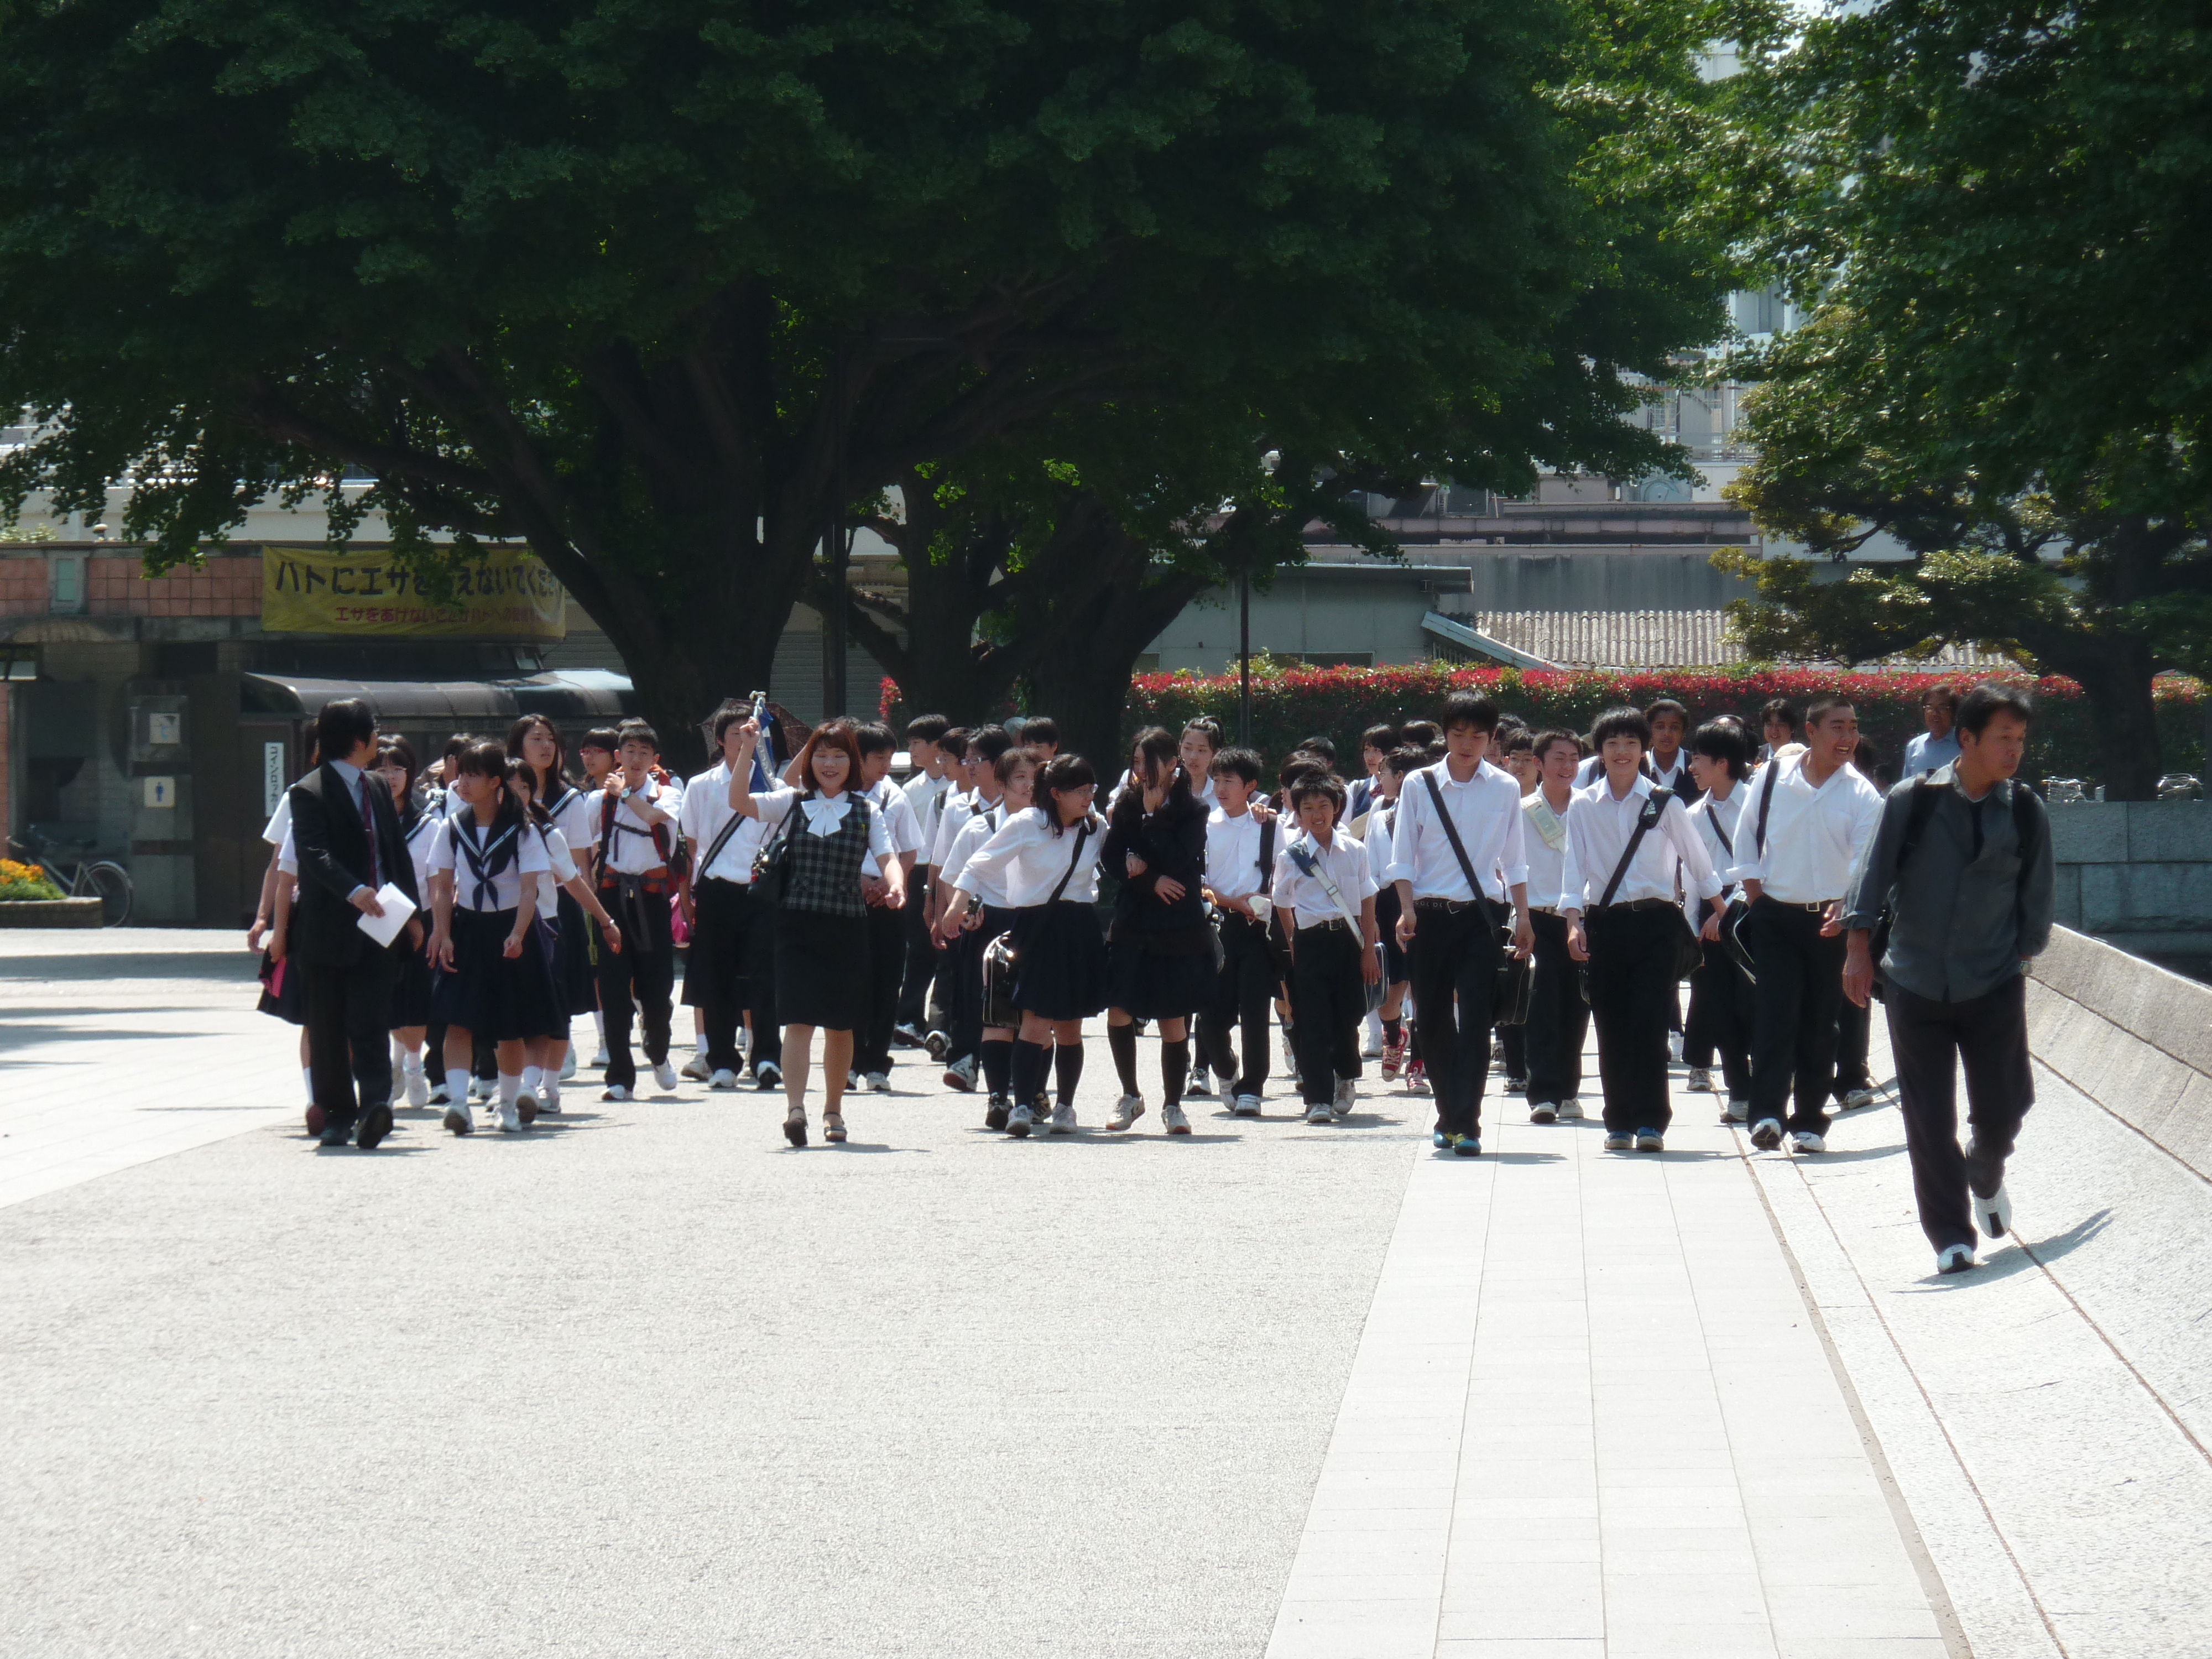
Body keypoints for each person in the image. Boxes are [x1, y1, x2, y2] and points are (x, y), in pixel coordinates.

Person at [1843, 682, 2054, 1273]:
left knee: (2005, 1104)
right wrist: (1857, 952)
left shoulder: (2023, 809)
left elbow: (2037, 896)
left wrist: (2020, 954)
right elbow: (1871, 877)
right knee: (1927, 1116)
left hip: (1992, 980)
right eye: (2002, 738)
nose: (2013, 750)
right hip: (1913, 982)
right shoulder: (1913, 800)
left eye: (2020, 739)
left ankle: (1985, 1167)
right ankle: (1949, 1237)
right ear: (1966, 739)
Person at [731, 716, 902, 1146]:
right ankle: (795, 1109)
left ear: (853, 762)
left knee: (842, 1026)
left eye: (839, 756)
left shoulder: (868, 810)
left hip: (847, 927)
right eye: (821, 756)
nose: (829, 764)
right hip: (796, 925)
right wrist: (749, 748)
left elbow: (888, 857)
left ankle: (833, 1110)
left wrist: (896, 883)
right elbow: (739, 801)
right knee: (799, 1022)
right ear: (809, 761)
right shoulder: (792, 800)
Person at [1728, 693, 1886, 1154]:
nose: (1848, 737)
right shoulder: (1774, 777)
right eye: (1837, 727)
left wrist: (1846, 904)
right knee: (1775, 1015)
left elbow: (1865, 861)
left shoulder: (1862, 794)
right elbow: (1746, 838)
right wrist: (1757, 900)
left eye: (1853, 727)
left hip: (1831, 925)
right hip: (1775, 914)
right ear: (1812, 732)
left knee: (1821, 1023)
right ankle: (1767, 1116)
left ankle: (1810, 1121)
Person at [1561, 707, 1724, 1152]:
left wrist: (1719, 907)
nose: (1622, 752)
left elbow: (1697, 859)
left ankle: (1652, 1121)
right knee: (1610, 1022)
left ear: (1644, 749)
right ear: (1600, 751)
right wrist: (1573, 923)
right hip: (1605, 924)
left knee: (1650, 1021)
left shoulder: (1664, 801)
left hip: (1655, 922)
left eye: (1631, 743)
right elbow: (1573, 869)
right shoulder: (1582, 804)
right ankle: (1618, 1121)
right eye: (1612, 744)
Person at [1384, 693, 1533, 1156]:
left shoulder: (1505, 787)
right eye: (1458, 734)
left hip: (1482, 919)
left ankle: (1467, 1123)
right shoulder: (1419, 783)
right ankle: (1448, 1113)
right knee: (1430, 1020)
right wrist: (1406, 909)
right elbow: (1402, 855)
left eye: (1478, 735)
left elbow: (1515, 860)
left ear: (1493, 740)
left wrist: (1524, 916)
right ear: (1444, 734)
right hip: (1427, 917)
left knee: (1475, 1021)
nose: (1468, 744)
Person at [941, 754, 1106, 1138]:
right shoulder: (1026, 824)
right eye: (1080, 791)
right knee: (1034, 1021)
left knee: (1069, 1027)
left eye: (1091, 790)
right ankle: (1021, 1106)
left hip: (1079, 927)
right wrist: (955, 906)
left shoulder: (1096, 828)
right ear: (1056, 793)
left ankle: (1065, 1106)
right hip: (1036, 926)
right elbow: (978, 865)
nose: (1087, 798)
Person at [284, 698, 423, 1149]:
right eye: (375, 733)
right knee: (328, 1026)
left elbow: (394, 855)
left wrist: (414, 915)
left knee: (371, 1017)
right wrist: (352, 890)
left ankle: (375, 1106)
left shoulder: (378, 788)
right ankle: (338, 1115)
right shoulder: (308, 791)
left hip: (382, 926)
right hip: (328, 929)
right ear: (360, 741)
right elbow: (313, 852)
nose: (379, 741)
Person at [426, 742, 561, 1134]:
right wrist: (443, 931)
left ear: (495, 782)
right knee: (457, 1020)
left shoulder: (522, 829)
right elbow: (442, 883)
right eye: (461, 774)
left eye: (473, 775)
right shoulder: (451, 827)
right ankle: (457, 1104)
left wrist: (519, 934)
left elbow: (528, 889)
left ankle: (506, 1104)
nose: (463, 783)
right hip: (468, 929)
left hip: (511, 930)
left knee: (510, 1024)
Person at [1099, 728, 1216, 1134]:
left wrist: (1152, 823)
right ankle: (1130, 1094)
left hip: (1178, 922)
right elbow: (1113, 859)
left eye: (1148, 764)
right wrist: (1149, 879)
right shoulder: (1127, 802)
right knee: (1119, 1009)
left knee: (1173, 1018)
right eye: (1135, 763)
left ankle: (1173, 1104)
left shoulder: (1194, 809)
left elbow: (1179, 857)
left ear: (1172, 765)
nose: (1140, 772)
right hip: (1134, 919)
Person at [676, 702, 785, 1093]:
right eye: (737, 733)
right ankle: (721, 1060)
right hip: (716, 888)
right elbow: (691, 846)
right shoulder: (700, 785)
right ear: (721, 740)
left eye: (751, 733)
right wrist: (687, 897)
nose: (745, 739)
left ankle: (768, 1057)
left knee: (764, 977)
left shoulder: (774, 786)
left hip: (761, 889)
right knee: (716, 975)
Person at [511, 765, 624, 1115]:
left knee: (555, 1013)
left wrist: (605, 920)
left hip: (547, 930)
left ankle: (547, 1088)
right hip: (500, 930)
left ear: (532, 792)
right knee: (513, 1016)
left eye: (523, 788)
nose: (515, 795)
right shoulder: (482, 831)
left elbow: (574, 882)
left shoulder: (546, 833)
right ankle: (513, 1087)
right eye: (507, 788)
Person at [936, 746, 1039, 1126]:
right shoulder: (980, 827)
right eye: (1019, 779)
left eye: (1035, 779)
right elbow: (954, 877)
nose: (1029, 786)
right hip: (990, 924)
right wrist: (963, 911)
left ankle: (1034, 1093)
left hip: (1035, 921)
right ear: (1002, 785)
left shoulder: (1051, 825)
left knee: (1036, 1012)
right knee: (994, 1011)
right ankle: (997, 1095)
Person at [1272, 773, 1383, 1125]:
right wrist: (1294, 941)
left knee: (1348, 1016)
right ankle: (1317, 1098)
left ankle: (1346, 1075)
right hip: (1310, 943)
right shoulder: (1292, 857)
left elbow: (1368, 899)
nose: (1317, 814)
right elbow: (1281, 901)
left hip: (1349, 942)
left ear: (1336, 808)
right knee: (1313, 1020)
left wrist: (1367, 951)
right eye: (1308, 808)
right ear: (1297, 813)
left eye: (1324, 806)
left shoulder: (1355, 850)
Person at [593, 720, 686, 1103]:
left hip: (652, 897)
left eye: (643, 753)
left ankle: (659, 1052)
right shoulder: (596, 800)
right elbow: (587, 853)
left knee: (657, 986)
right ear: (617, 756)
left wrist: (628, 792)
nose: (635, 758)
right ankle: (619, 1076)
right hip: (612, 895)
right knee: (614, 989)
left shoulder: (668, 795)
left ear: (655, 760)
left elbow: (652, 819)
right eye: (628, 751)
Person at [930, 724, 1014, 1089]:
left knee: (1011, 990)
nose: (969, 767)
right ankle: (965, 1059)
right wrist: (944, 912)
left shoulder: (1025, 810)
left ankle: (1012, 1066)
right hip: (970, 914)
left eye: (976, 760)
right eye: (967, 760)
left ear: (999, 764)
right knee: (967, 987)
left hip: (1014, 912)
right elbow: (945, 864)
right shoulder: (958, 809)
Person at [1682, 718, 1755, 1121]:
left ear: (1723, 763)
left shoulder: (1756, 803)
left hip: (1750, 914)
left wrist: (1731, 910)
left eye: (1698, 759)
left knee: (1754, 1006)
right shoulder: (1694, 814)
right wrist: (1695, 929)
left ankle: (1764, 1087)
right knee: (1719, 1009)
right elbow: (1693, 878)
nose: (1691, 767)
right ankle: (1739, 1093)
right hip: (1709, 920)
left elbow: (1764, 864)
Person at [1198, 748, 1277, 1116]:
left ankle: (1253, 1088)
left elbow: (1286, 874)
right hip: (1218, 925)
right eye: (1217, 779)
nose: (1221, 787)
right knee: (1211, 1013)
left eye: (1230, 780)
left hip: (1259, 928)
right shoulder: (1204, 825)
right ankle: (1226, 1068)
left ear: (1251, 787)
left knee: (1256, 1011)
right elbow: (1200, 883)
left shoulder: (1268, 824)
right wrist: (1232, 902)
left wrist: (1264, 898)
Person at [1519, 730, 1590, 1124]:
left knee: (1577, 1006)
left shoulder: (1590, 808)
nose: (1567, 767)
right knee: (1541, 1005)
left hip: (1580, 919)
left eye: (1574, 759)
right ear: (1539, 764)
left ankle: (1569, 1091)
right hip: (1539, 919)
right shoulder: (1521, 810)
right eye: (1559, 758)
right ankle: (1542, 1093)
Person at [854, 722, 926, 1091]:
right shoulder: (836, 794)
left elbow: (910, 849)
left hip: (888, 899)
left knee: (886, 980)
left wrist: (889, 882)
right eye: (877, 758)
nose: (885, 765)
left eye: (888, 757)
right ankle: (850, 1061)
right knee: (851, 981)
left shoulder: (893, 796)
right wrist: (859, 881)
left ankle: (878, 1061)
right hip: (847, 898)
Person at [373, 738, 440, 1108]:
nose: (391, 777)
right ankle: (398, 1060)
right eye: (381, 769)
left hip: (419, 917)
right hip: (376, 916)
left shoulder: (427, 823)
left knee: (415, 999)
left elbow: (437, 880)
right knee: (385, 1000)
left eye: (398, 768)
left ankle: (414, 1067)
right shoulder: (363, 817)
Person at [893, 713, 954, 1047]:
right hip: (918, 872)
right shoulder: (910, 789)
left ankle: (941, 1022)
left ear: (936, 746)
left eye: (917, 743)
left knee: (946, 948)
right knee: (917, 947)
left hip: (949, 873)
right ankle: (908, 1018)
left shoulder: (956, 787)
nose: (911, 750)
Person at [1903, 683, 1962, 776]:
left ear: (1954, 713)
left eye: (1942, 708)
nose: (1935, 713)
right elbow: (1905, 787)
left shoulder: (1964, 745)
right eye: (1930, 707)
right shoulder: (1914, 746)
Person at [1348, 723, 1400, 820]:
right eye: (1367, 750)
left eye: (1376, 750)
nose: (1370, 757)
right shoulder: (1357, 789)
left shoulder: (1404, 788)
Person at [1758, 698, 1801, 764]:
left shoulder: (1802, 757)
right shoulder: (1755, 756)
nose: (1774, 731)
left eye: (1780, 725)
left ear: (1792, 728)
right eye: (1769, 724)